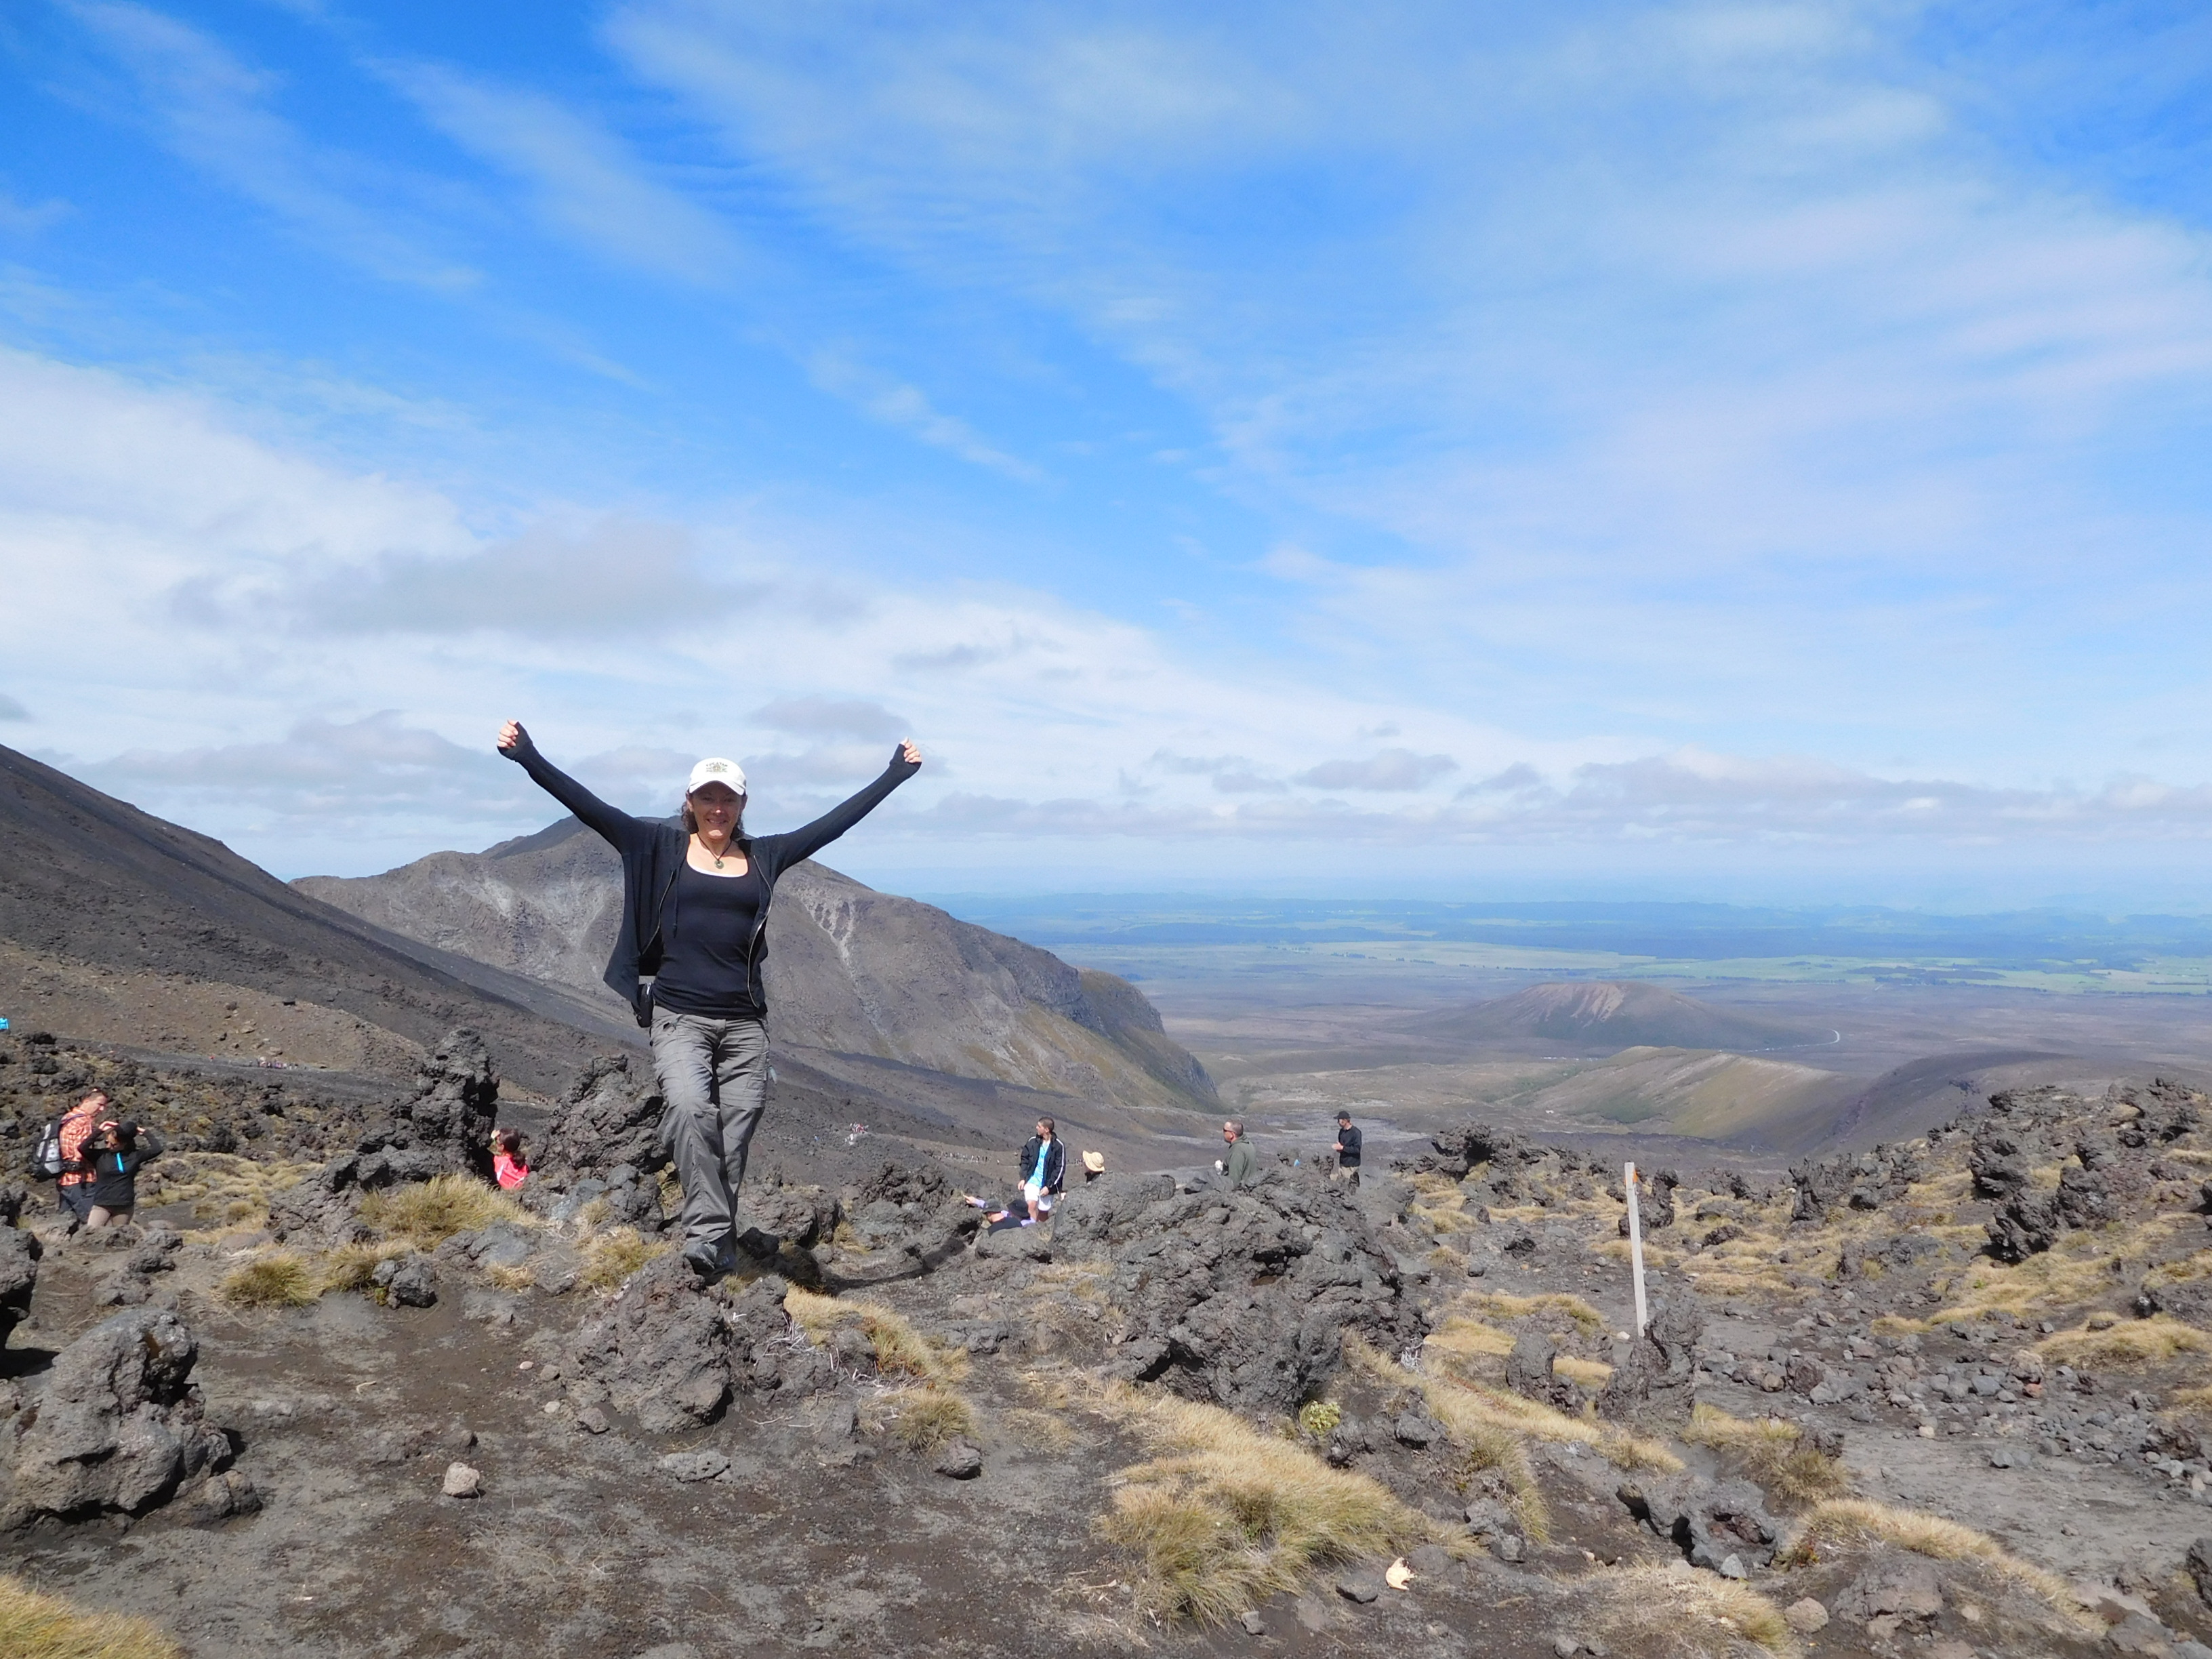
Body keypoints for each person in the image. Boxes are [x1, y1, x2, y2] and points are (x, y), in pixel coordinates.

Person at [498, 719, 922, 1279]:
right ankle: (705, 1240)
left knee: (735, 1132)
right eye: (707, 797)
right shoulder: (655, 845)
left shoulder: (765, 857)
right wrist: (529, 756)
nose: (717, 808)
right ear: (690, 802)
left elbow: (832, 826)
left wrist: (892, 775)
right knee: (691, 1112)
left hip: (746, 1024)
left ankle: (717, 1248)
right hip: (679, 1015)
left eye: (728, 799)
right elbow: (587, 805)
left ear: (742, 805)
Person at [84, 1119, 164, 1229]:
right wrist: (100, 1130)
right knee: (91, 1232)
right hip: (102, 1204)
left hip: (124, 1205)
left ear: (124, 1144)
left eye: (113, 1144)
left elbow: (157, 1149)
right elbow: (82, 1148)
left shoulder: (135, 1155)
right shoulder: (100, 1156)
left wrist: (145, 1133)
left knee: (120, 1236)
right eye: (107, 1142)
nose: (108, 1146)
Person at [53, 1090, 107, 1233]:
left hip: (65, 1177)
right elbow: (81, 1150)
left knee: (65, 1219)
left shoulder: (68, 1117)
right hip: (81, 1178)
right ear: (87, 1101)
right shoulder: (83, 1121)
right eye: (99, 1105)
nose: (101, 1109)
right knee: (91, 1221)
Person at [1019, 1117, 1065, 1223]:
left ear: (1046, 1130)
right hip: (1032, 1180)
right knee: (1031, 1206)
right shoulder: (1032, 1142)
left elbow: (1060, 1168)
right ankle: (1031, 1230)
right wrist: (1023, 1178)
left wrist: (1049, 1186)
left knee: (1043, 1212)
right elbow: (1025, 1160)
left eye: (1039, 1126)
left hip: (1047, 1184)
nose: (1036, 1128)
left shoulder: (1058, 1146)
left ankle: (1041, 1232)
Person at [1216, 1120, 1258, 1189]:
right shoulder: (1248, 1144)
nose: (1223, 1132)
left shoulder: (1237, 1150)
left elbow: (1234, 1179)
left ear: (1232, 1134)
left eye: (1225, 1130)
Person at [491, 1127, 529, 1191]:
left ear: (502, 1147)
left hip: (507, 1193)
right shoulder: (521, 1161)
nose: (495, 1143)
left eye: (496, 1141)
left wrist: (491, 1138)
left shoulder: (498, 1161)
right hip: (522, 1190)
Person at [1332, 1111, 1362, 1186]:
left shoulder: (1356, 1133)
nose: (1338, 1122)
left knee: (1350, 1186)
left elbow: (1357, 1150)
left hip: (1352, 1166)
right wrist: (1339, 1148)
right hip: (1342, 1164)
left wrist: (1342, 1148)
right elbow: (1343, 1147)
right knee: (1341, 1185)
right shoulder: (1341, 1132)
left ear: (1345, 1120)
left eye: (1339, 1120)